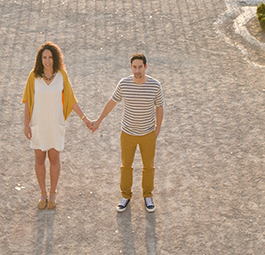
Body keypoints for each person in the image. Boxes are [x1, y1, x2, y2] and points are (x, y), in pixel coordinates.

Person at [89, 53, 163, 213]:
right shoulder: (124, 84)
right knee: (126, 166)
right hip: (127, 133)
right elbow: (111, 103)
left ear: (146, 67)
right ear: (131, 67)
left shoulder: (155, 85)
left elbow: (160, 106)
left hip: (148, 133)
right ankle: (125, 196)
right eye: (134, 67)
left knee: (148, 166)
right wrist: (99, 120)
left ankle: (148, 196)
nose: (137, 70)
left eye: (140, 67)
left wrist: (157, 129)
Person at [22, 41, 90, 211]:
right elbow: (28, 101)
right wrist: (26, 125)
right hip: (38, 124)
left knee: (53, 159)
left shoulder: (61, 76)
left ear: (55, 59)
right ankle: (43, 193)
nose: (47, 61)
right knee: (39, 159)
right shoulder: (33, 76)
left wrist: (85, 119)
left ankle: (53, 193)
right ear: (40, 59)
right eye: (44, 57)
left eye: (50, 57)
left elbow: (71, 100)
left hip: (54, 124)